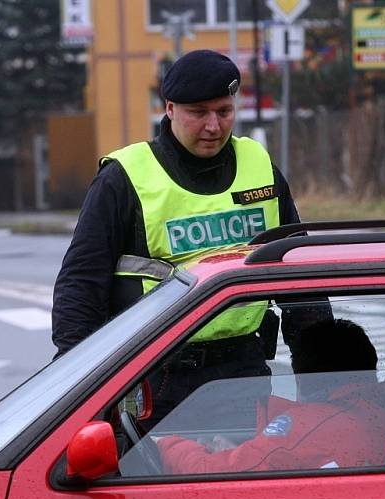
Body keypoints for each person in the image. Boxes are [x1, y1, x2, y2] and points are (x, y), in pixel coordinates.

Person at [52, 49, 317, 422]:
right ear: (170, 108)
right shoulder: (125, 177)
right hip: (155, 376)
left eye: (224, 112)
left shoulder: (259, 168)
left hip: (242, 372)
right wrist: (76, 388)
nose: (214, 126)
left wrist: (324, 378)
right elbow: (80, 286)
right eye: (199, 113)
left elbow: (300, 277)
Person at [153, 319, 385, 474]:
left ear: (301, 379)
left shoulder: (304, 428)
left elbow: (212, 472)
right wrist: (248, 448)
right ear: (369, 366)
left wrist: (165, 444)